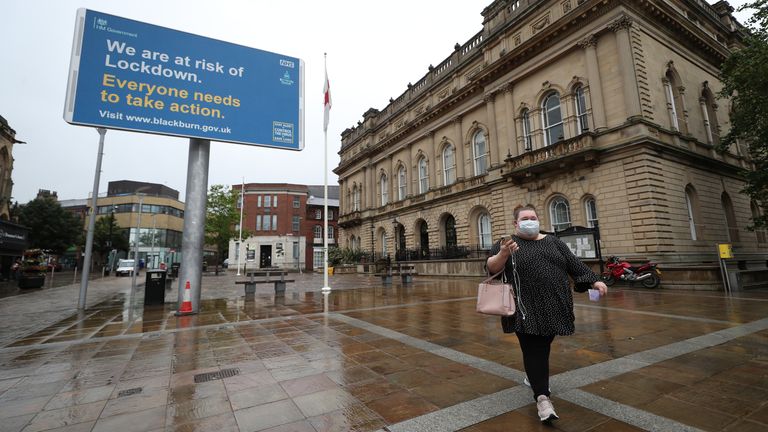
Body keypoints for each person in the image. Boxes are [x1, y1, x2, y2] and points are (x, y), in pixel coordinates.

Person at [486, 205, 608, 422]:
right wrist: (504, 253)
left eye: (533, 217)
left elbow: (574, 265)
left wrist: (595, 280)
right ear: (516, 223)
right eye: (525, 218)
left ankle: (534, 375)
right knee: (534, 349)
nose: (530, 221)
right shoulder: (507, 243)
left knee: (543, 345)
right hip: (523, 307)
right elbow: (491, 268)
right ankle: (543, 398)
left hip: (555, 305)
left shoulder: (554, 242)